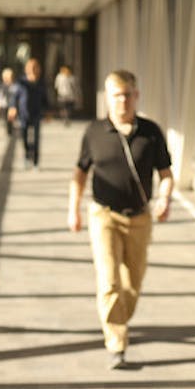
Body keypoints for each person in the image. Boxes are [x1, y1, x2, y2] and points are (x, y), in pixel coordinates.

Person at [68, 69, 174, 369]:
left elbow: (166, 175)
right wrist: (73, 207)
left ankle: (115, 318)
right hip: (104, 215)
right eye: (117, 95)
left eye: (128, 95)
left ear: (136, 96)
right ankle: (117, 344)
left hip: (139, 218)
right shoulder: (94, 132)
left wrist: (165, 198)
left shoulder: (151, 132)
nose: (123, 101)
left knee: (133, 283)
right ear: (108, 98)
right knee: (109, 281)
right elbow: (80, 173)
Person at [9, 57, 49, 169]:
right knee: (25, 137)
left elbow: (45, 98)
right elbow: (14, 96)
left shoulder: (41, 82)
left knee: (36, 139)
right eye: (30, 67)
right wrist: (12, 107)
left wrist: (47, 112)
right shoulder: (21, 81)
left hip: (37, 113)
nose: (32, 69)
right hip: (23, 113)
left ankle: (36, 162)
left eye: (35, 67)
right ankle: (27, 158)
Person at [0, 67, 15, 137]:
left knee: (10, 117)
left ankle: (10, 129)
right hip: (4, 104)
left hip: (11, 104)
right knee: (5, 117)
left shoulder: (14, 85)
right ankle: (8, 129)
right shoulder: (1, 86)